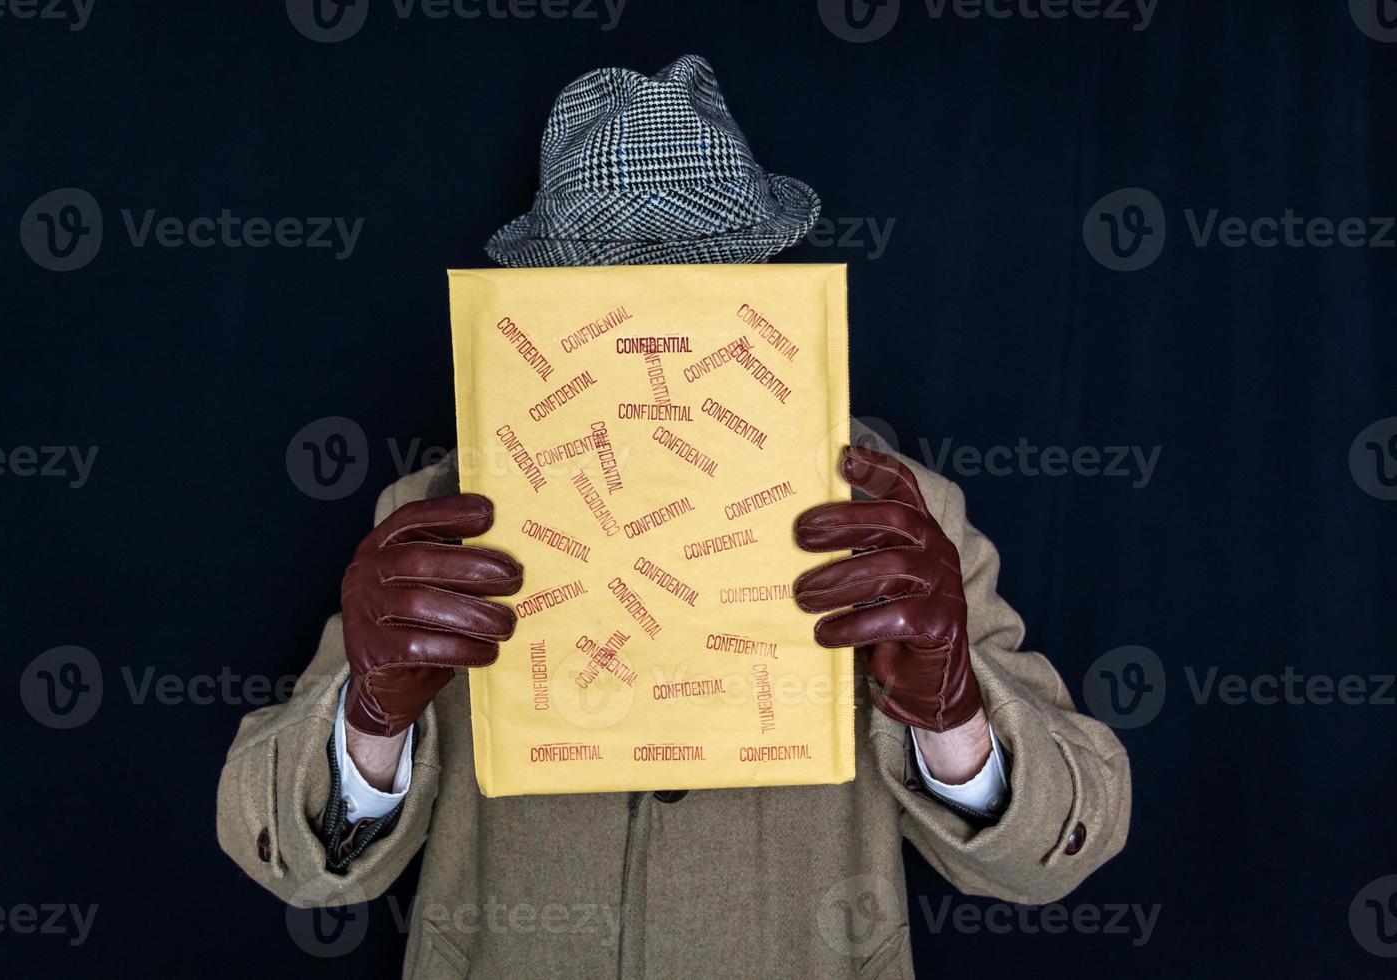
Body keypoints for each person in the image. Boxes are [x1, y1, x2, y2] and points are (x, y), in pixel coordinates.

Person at [217, 55, 1131, 979]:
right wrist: (367, 724)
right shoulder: (435, 517)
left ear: (767, 278)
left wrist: (956, 720)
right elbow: (292, 865)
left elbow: (1061, 852)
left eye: (702, 281)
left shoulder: (899, 518)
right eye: (611, 288)